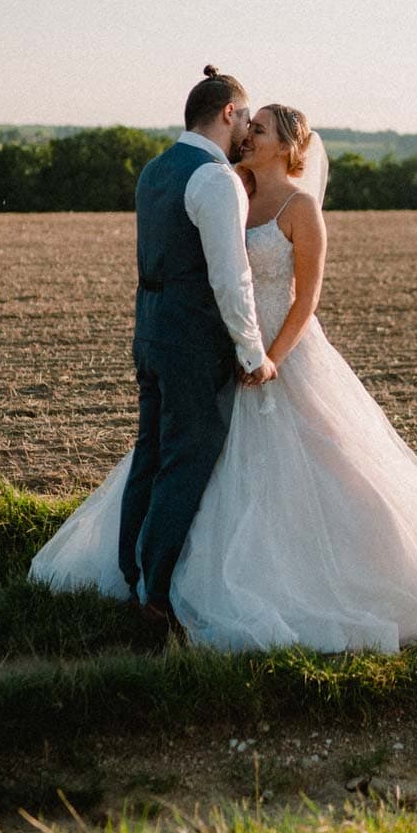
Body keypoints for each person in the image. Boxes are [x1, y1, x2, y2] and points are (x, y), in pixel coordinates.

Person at [29, 103, 417, 653]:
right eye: (248, 125)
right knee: (202, 457)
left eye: (259, 130)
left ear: (289, 147)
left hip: (284, 355)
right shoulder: (236, 190)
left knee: (324, 466)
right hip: (227, 348)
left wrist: (272, 357)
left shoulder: (300, 210)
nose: (247, 136)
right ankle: (162, 573)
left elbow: (305, 299)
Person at [111, 66, 275, 640]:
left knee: (150, 452)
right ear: (228, 112)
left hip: (149, 328)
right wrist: (253, 352)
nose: (245, 137)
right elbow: (232, 280)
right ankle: (156, 599)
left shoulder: (154, 170)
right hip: (190, 338)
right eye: (243, 121)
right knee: (188, 457)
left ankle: (128, 577)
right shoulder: (215, 179)